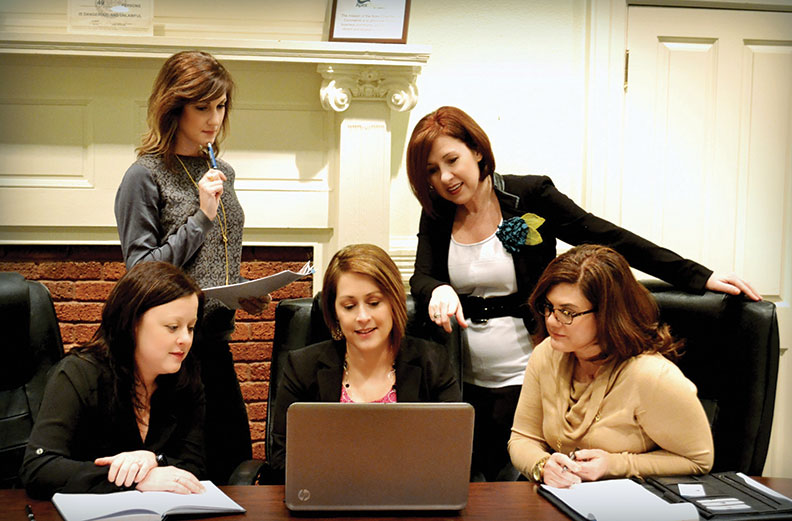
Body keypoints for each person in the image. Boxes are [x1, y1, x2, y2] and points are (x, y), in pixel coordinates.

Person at [406, 106, 756, 481]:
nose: (445, 177)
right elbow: (421, 276)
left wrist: (697, 275)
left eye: (451, 160)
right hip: (467, 379)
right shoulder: (437, 214)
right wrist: (437, 288)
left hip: (532, 373)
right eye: (430, 170)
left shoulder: (531, 195)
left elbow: (606, 236)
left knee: (523, 482)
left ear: (476, 150)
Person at [115, 50, 269, 484]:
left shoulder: (223, 170)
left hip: (216, 345)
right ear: (174, 106)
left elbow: (214, 260)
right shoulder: (143, 176)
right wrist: (200, 217)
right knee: (181, 478)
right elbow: (140, 275)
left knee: (235, 467)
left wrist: (241, 290)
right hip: (170, 356)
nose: (214, 118)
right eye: (203, 107)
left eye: (221, 106)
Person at [508, 244, 713, 486]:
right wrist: (542, 465)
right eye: (549, 307)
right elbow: (522, 438)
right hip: (562, 499)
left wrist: (616, 465)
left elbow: (698, 460)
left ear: (608, 313)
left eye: (567, 312)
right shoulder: (548, 353)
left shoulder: (652, 376)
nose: (552, 321)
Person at [20, 262, 207, 499]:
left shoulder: (186, 377)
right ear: (132, 324)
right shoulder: (79, 374)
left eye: (190, 328)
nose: (185, 339)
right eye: (172, 327)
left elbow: (195, 467)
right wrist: (137, 478)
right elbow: (39, 468)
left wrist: (154, 461)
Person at [269, 244, 460, 473]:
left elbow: (454, 454)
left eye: (374, 303)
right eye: (349, 306)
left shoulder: (432, 362)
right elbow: (283, 459)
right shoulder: (303, 367)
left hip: (410, 501)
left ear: (393, 303)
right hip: (329, 500)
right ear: (335, 312)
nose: (362, 317)